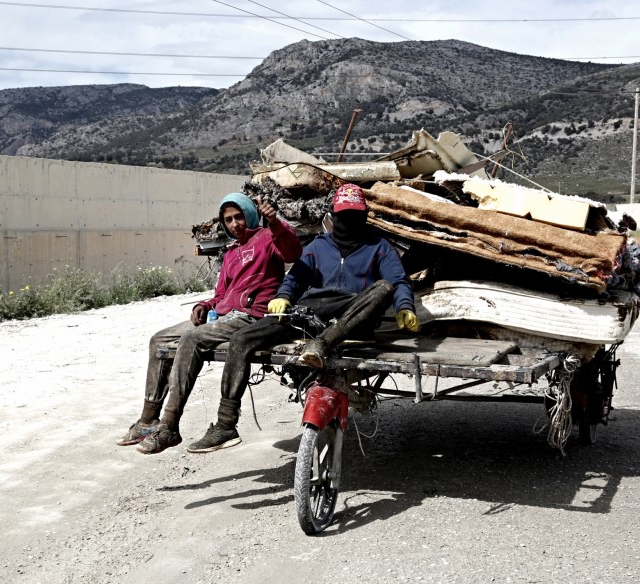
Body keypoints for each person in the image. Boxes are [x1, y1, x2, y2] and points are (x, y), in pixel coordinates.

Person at [185, 183, 420, 454]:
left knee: (384, 289)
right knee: (241, 338)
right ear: (333, 214)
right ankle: (226, 424)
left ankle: (322, 343)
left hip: (351, 316)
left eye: (354, 215)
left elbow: (398, 280)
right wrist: (283, 295)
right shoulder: (319, 245)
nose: (348, 221)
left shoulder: (378, 246)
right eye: (342, 215)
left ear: (365, 215)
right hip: (310, 312)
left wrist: (405, 306)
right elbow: (296, 277)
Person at [118, 191, 303, 455]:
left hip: (252, 315)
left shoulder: (267, 238)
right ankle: (149, 419)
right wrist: (204, 305)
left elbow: (293, 252)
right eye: (228, 220)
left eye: (239, 216)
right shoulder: (230, 253)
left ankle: (169, 426)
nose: (234, 224)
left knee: (192, 338)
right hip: (224, 315)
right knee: (159, 339)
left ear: (250, 215)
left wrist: (274, 222)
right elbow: (221, 294)